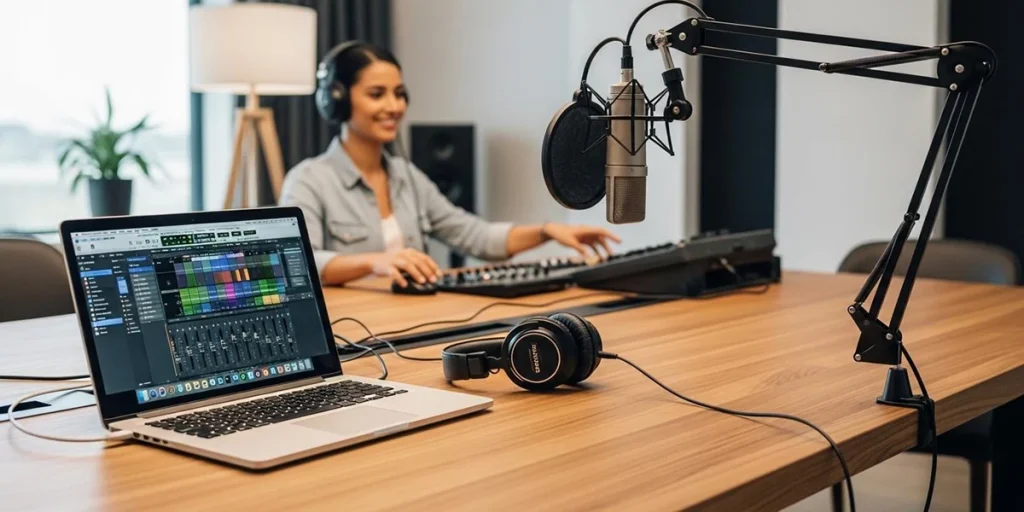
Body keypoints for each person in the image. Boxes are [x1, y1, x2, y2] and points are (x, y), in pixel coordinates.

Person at [280, 41, 620, 288]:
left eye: (399, 93)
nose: (394, 106)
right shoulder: (309, 180)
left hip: (411, 324)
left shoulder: (405, 176)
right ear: (337, 100)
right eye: (376, 94)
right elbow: (299, 265)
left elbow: (475, 236)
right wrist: (374, 261)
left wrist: (547, 231)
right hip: (352, 332)